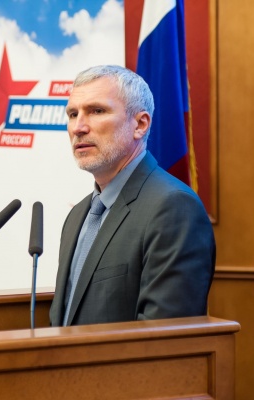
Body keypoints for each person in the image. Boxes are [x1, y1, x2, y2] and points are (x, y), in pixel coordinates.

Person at [49, 65, 216, 327]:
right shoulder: (78, 215)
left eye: (96, 111)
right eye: (72, 114)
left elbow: (165, 336)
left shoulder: (173, 208)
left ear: (140, 124)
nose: (78, 127)